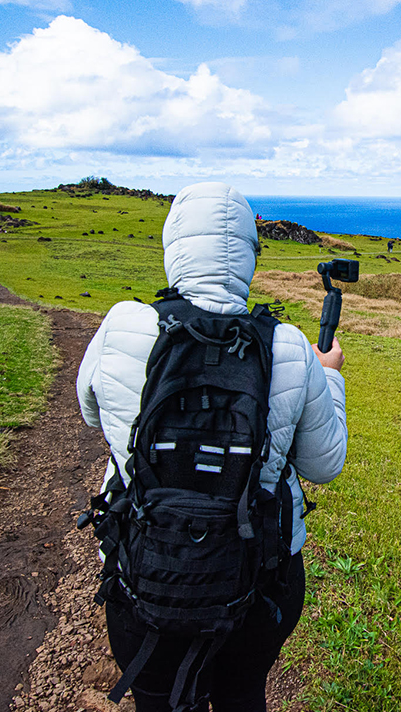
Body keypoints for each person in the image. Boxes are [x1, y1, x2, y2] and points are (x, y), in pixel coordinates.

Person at [77, 182, 348, 712]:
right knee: (241, 695)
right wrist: (329, 377)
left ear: (173, 244)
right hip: (256, 581)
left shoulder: (121, 326)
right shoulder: (288, 346)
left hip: (145, 573)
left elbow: (90, 414)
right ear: (247, 255)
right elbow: (325, 463)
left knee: (155, 699)